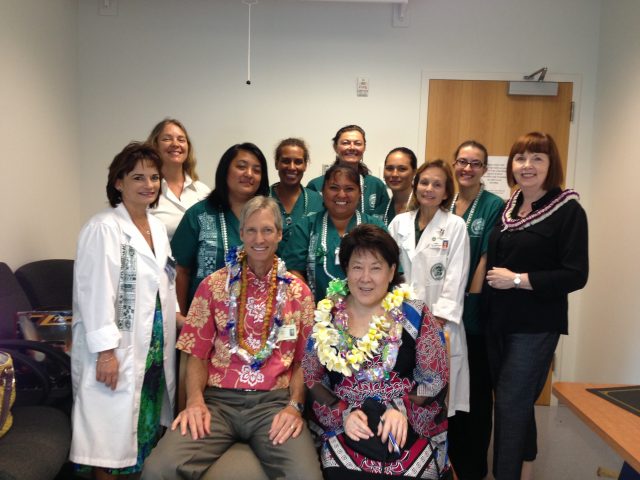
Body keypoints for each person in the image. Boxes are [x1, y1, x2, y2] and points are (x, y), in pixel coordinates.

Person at [142, 196, 322, 480]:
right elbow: (196, 353)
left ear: (279, 234)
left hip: (273, 404)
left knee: (306, 476)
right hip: (217, 403)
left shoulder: (299, 293)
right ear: (241, 233)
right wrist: (195, 402)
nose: (259, 238)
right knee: (158, 469)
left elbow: (304, 360)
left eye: (266, 230)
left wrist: (294, 406)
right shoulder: (213, 285)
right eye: (251, 230)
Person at [303, 224, 451, 479]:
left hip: (406, 423)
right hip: (347, 426)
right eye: (357, 266)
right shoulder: (327, 315)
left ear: (392, 271)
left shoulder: (414, 314)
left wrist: (402, 410)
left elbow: (435, 378)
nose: (365, 278)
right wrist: (342, 413)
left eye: (376, 267)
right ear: (346, 270)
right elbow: (312, 378)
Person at [485, 132, 588, 480]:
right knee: (515, 401)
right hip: (499, 321)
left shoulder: (568, 210)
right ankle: (525, 465)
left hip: (536, 325)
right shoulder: (510, 206)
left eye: (537, 158)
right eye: (520, 158)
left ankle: (505, 475)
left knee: (512, 405)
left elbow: (576, 274)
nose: (527, 166)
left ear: (551, 165)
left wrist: (519, 279)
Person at [70, 142, 176, 479]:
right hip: (117, 350)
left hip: (152, 348)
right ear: (119, 182)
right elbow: (95, 293)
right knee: (108, 437)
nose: (149, 185)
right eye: (138, 177)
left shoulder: (156, 227)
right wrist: (105, 353)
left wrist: (185, 320)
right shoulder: (103, 228)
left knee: (141, 430)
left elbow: (164, 284)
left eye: (155, 177)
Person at [389, 159, 470, 418]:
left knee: (435, 396)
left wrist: (436, 322)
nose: (429, 189)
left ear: (447, 193)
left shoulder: (455, 225)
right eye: (424, 182)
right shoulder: (399, 223)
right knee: (403, 393)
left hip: (438, 322)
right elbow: (388, 271)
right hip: (400, 321)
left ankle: (435, 454)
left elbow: (456, 276)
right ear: (415, 185)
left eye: (438, 184)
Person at [446, 141, 504, 480]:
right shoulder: (446, 202)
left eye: (475, 163)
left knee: (478, 396)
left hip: (473, 315)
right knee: (449, 394)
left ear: (484, 169)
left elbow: (485, 257)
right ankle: (448, 462)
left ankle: (473, 470)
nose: (467, 168)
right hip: (447, 315)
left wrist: (466, 304)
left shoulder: (493, 205)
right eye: (462, 162)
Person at [171, 142, 269, 316]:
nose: (249, 174)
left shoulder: (269, 217)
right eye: (241, 167)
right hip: (204, 318)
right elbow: (181, 270)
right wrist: (182, 318)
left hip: (257, 321)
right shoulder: (199, 215)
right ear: (225, 170)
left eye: (256, 170)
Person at [286, 164, 386, 302]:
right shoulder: (306, 226)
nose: (341, 195)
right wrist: (307, 303)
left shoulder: (376, 227)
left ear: (360, 194)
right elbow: (293, 271)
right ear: (323, 191)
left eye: (349, 189)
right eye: (334, 188)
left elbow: (388, 270)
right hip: (315, 315)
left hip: (367, 314)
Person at [147, 118, 211, 240]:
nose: (175, 144)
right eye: (167, 139)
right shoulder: (146, 191)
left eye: (181, 140)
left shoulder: (203, 191)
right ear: (155, 146)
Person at [306, 125, 389, 217]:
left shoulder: (376, 185)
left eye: (357, 143)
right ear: (335, 147)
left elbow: (382, 221)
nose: (352, 147)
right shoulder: (316, 185)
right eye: (346, 143)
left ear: (364, 148)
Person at [268, 138, 324, 254]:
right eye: (286, 161)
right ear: (276, 163)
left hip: (305, 271)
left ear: (305, 165)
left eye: (298, 162)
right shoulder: (261, 199)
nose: (292, 167)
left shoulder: (318, 201)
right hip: (266, 271)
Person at [381, 147, 418, 225]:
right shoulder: (380, 211)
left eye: (402, 169)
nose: (394, 174)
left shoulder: (424, 207)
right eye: (389, 168)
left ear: (414, 172)